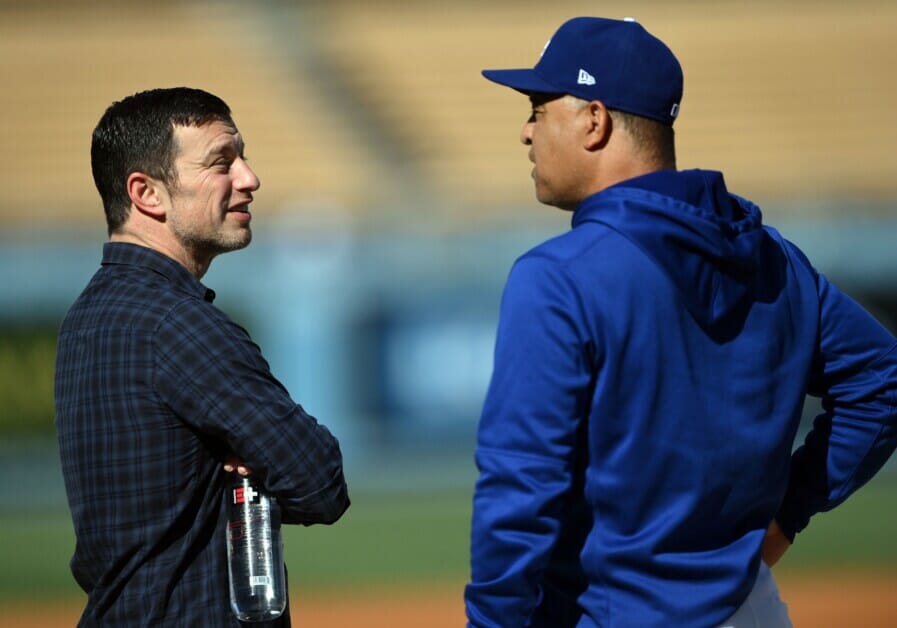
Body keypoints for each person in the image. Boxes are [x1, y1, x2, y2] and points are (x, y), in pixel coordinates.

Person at [465, 16, 897, 628]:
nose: (526, 131)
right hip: (749, 607)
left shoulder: (558, 275)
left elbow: (519, 487)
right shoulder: (772, 259)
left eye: (538, 109)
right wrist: (787, 517)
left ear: (594, 120)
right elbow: (884, 382)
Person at [54, 87, 350, 627]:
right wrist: (258, 464)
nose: (249, 178)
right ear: (147, 193)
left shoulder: (87, 315)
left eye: (243, 157)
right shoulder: (179, 323)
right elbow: (319, 481)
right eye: (221, 162)